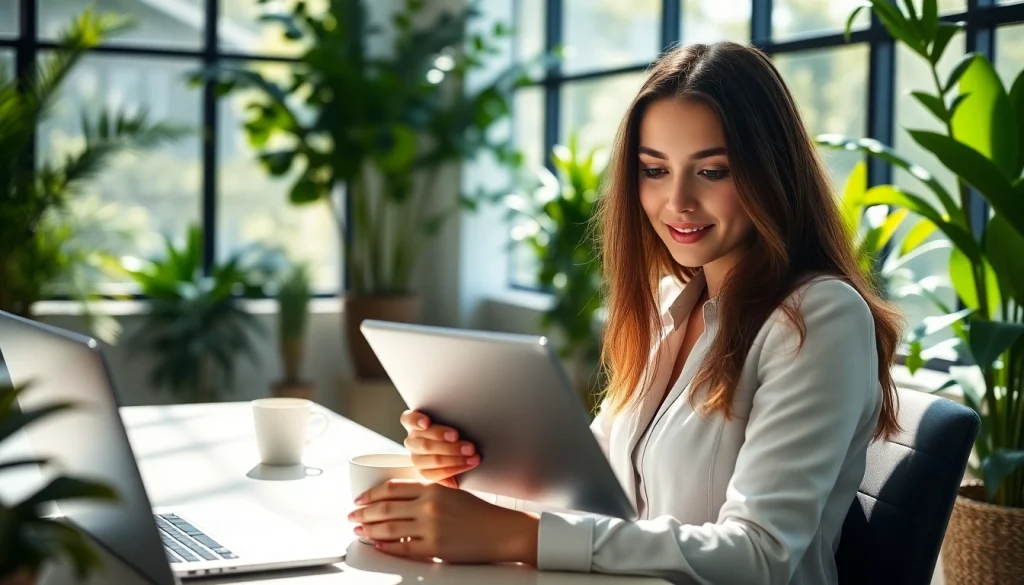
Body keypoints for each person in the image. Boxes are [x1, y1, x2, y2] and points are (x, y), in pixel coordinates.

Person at [347, 41, 904, 584]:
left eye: (712, 171)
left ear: (772, 173)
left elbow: (760, 556)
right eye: (654, 170)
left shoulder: (819, 318)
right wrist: (470, 462)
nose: (678, 201)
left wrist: (518, 536)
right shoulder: (670, 306)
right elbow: (592, 493)